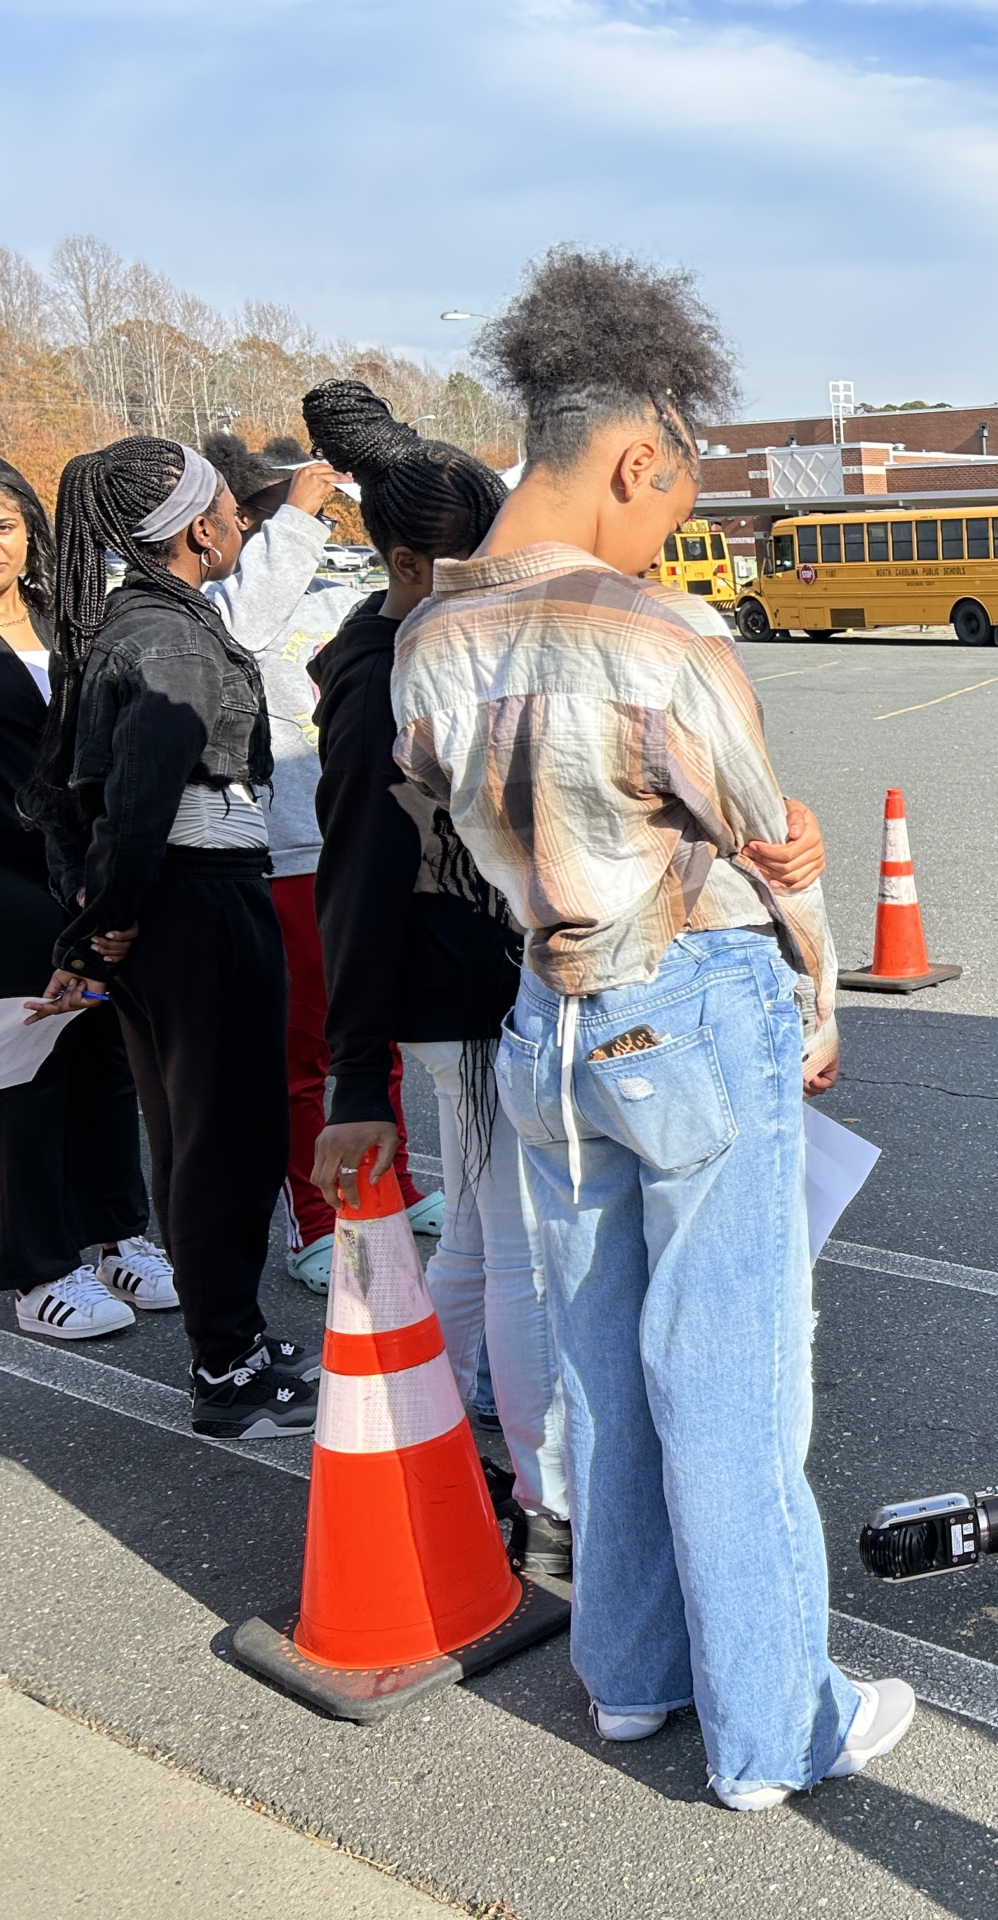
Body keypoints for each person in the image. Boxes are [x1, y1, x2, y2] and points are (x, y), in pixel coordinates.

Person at [392, 247, 909, 1808]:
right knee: (736, 1376)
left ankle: (627, 1678)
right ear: (636, 455)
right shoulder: (658, 637)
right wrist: (814, 980)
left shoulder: (425, 642)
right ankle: (777, 1729)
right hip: (687, 1006)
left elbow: (457, 824)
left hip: (546, 1013)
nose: (672, 522)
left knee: (602, 1359)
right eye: (674, 493)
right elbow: (767, 847)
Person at [299, 379, 573, 1568]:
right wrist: (356, 1077)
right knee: (504, 1237)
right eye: (470, 566)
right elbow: (353, 892)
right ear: (408, 563)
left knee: (478, 1232)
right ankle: (540, 1494)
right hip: (453, 995)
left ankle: (443, 1438)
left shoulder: (434, 645)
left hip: (487, 978)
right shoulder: (379, 685)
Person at [24, 438, 316, 1438]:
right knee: (228, 1136)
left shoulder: (123, 624)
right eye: (234, 508)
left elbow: (65, 794)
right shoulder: (171, 638)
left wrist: (93, 918)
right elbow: (140, 793)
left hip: (165, 901)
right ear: (198, 527)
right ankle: (227, 1365)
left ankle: (225, 1337)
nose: (242, 523)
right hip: (196, 896)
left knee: (192, 1131)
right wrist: (107, 914)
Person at [200, 433, 434, 1290]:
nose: (308, 521)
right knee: (305, 1053)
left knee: (375, 1037)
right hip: (289, 851)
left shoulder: (346, 587)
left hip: (364, 842)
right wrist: (292, 518)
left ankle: (396, 1188)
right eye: (265, 510)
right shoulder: (229, 600)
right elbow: (252, 620)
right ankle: (313, 1215)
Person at [0, 455, 173, 1340]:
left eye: (1, 524)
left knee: (106, 1056)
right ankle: (35, 1270)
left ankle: (115, 1233)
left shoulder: (66, 622)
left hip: (87, 874)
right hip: (11, 887)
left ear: (31, 528)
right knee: (25, 1073)